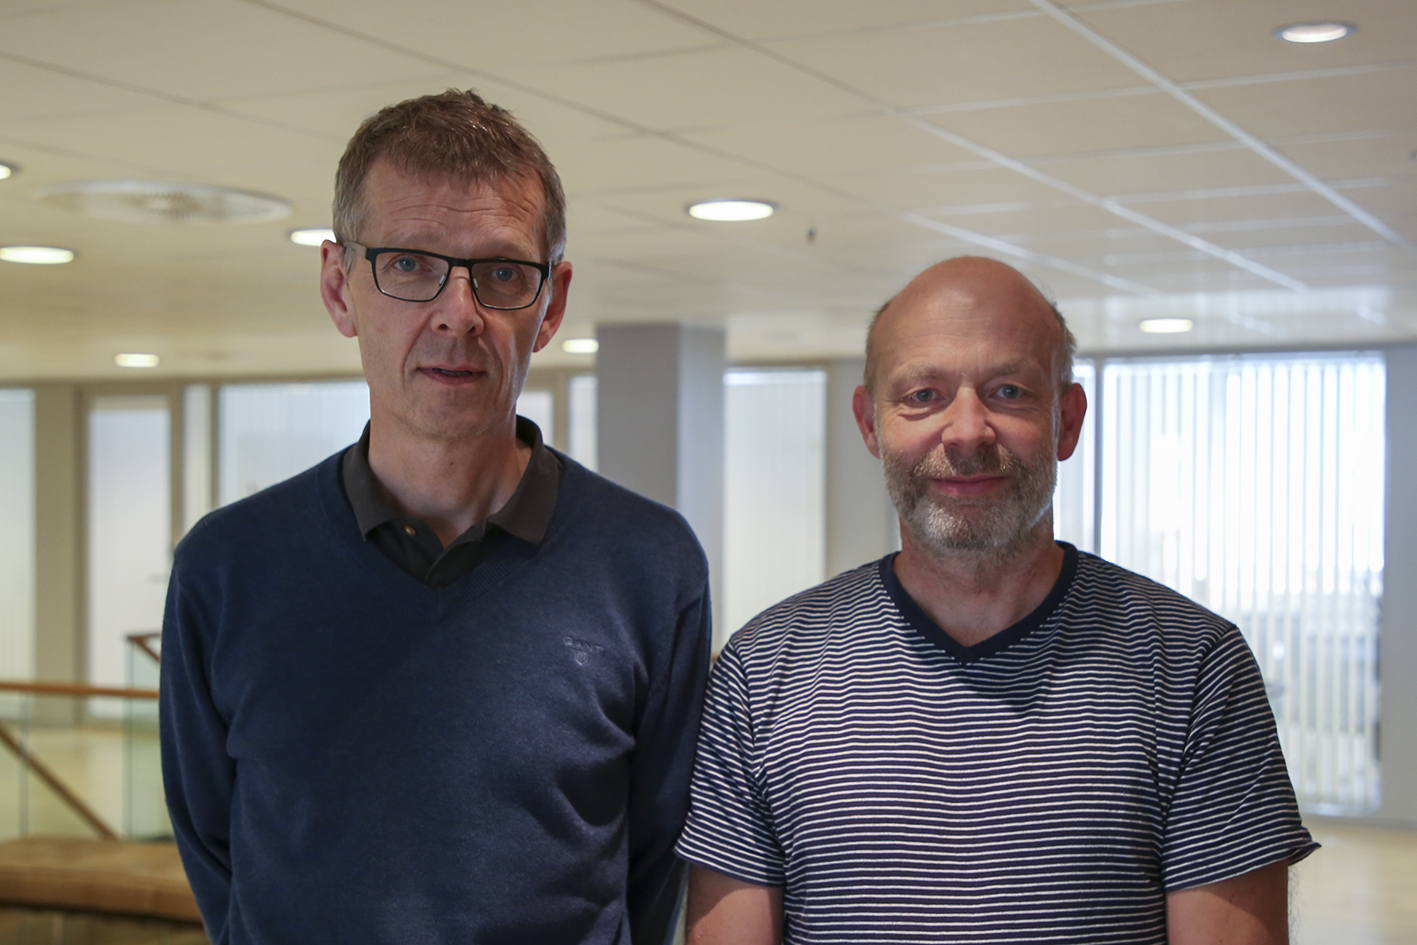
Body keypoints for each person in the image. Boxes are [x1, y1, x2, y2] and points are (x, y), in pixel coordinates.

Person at [160, 89, 712, 945]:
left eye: (499, 272)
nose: (459, 313)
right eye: (410, 264)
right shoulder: (227, 568)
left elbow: (652, 864)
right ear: (339, 287)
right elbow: (216, 852)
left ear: (551, 302)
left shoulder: (648, 564)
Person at [675, 256, 1316, 945]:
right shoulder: (763, 669)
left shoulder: (1191, 667)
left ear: (1066, 420)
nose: (966, 432)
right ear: (869, 424)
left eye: (1007, 390)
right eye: (922, 394)